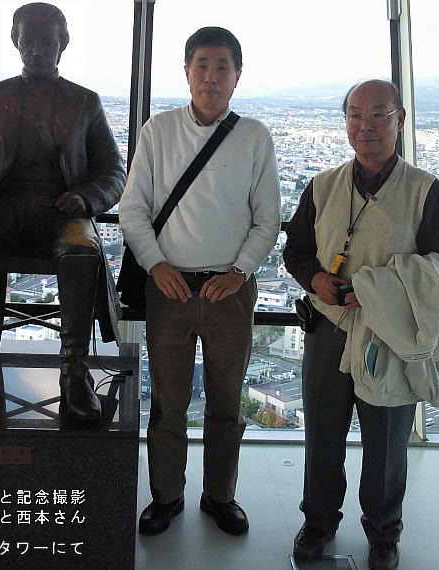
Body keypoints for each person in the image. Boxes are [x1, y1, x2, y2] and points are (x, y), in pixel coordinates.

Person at [283, 80, 439, 569]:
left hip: (389, 335)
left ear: (399, 120)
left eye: (378, 114)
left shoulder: (425, 190)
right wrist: (315, 278)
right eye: (355, 114)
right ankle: (318, 521)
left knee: (386, 441)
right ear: (345, 122)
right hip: (327, 326)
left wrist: (377, 288)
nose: (366, 125)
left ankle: (384, 532)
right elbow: (295, 249)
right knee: (322, 434)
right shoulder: (322, 186)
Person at [0, 2, 126, 423]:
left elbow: (113, 170)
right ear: (16, 43)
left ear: (62, 45)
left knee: (81, 249)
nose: (37, 50)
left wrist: (85, 197)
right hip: (0, 212)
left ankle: (74, 373)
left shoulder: (85, 101)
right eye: (29, 41)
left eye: (47, 42)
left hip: (61, 212)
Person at [119, 26, 280, 536]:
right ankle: (166, 496)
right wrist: (156, 265)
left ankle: (219, 495)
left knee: (227, 402)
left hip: (230, 291)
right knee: (168, 402)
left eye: (221, 67)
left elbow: (268, 219)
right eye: (202, 65)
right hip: (168, 288)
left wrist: (240, 272)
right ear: (186, 71)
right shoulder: (158, 130)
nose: (211, 76)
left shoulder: (254, 136)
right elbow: (132, 209)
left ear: (237, 75)